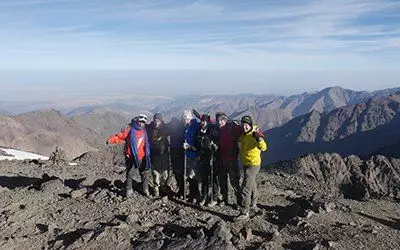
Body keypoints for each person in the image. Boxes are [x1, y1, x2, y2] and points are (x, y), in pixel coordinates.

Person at [107, 114, 152, 197]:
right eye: (140, 121)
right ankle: (129, 190)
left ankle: (145, 189)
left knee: (144, 173)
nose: (141, 124)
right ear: (137, 121)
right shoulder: (130, 130)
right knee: (130, 174)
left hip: (143, 157)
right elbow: (120, 137)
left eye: (143, 122)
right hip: (132, 157)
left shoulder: (145, 131)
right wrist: (111, 140)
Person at [234, 115, 267, 221]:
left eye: (247, 125)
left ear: (250, 125)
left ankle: (244, 212)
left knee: (245, 188)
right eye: (243, 125)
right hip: (246, 163)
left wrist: (258, 138)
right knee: (251, 184)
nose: (244, 127)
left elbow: (264, 147)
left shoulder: (253, 134)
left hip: (253, 164)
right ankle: (254, 203)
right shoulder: (244, 134)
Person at [215, 112, 242, 208]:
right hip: (221, 159)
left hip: (232, 160)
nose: (219, 123)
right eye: (218, 121)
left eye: (221, 120)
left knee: (234, 182)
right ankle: (224, 199)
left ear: (225, 120)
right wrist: (201, 117)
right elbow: (211, 121)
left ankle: (240, 201)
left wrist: (257, 132)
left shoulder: (232, 128)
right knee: (222, 181)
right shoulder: (217, 128)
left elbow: (245, 128)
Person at [195, 114, 219, 207]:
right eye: (201, 121)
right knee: (204, 178)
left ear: (208, 122)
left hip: (212, 157)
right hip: (203, 158)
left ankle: (214, 198)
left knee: (213, 178)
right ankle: (204, 196)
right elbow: (197, 145)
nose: (202, 122)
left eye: (204, 121)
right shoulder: (199, 132)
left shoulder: (212, 130)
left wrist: (215, 146)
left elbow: (217, 142)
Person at [146, 113, 170, 197]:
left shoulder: (166, 128)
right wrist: (130, 124)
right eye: (155, 120)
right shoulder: (150, 127)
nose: (156, 122)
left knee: (165, 173)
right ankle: (156, 189)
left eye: (158, 121)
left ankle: (163, 187)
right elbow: (140, 124)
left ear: (161, 121)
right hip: (154, 154)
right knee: (155, 173)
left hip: (164, 155)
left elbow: (175, 128)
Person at [182, 109, 201, 203]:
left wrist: (200, 117)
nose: (184, 121)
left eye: (185, 119)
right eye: (184, 119)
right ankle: (192, 194)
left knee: (194, 176)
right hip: (188, 154)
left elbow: (209, 123)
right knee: (190, 176)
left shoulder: (195, 125)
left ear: (189, 118)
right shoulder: (187, 127)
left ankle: (196, 195)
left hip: (194, 155)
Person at [165, 117, 185, 198]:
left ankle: (183, 191)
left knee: (180, 172)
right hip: (175, 151)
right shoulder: (174, 126)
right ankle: (181, 190)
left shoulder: (183, 127)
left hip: (181, 152)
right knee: (177, 172)